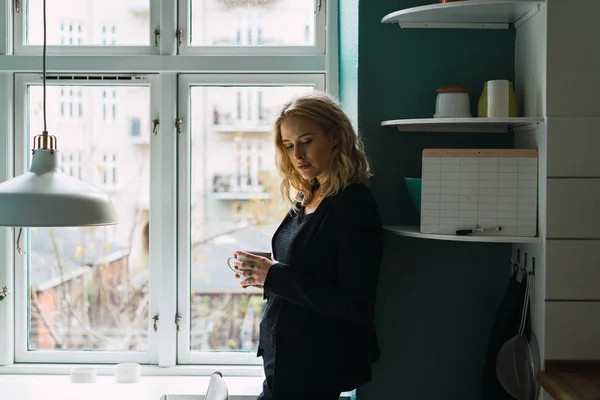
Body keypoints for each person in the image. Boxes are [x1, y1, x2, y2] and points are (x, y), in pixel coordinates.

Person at [231, 91, 383, 400]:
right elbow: (308, 266)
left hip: (314, 365)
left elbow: (355, 303)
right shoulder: (308, 194)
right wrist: (262, 270)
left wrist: (273, 276)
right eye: (288, 146)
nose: (297, 155)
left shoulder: (352, 203)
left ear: (336, 137)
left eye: (306, 141)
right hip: (283, 359)